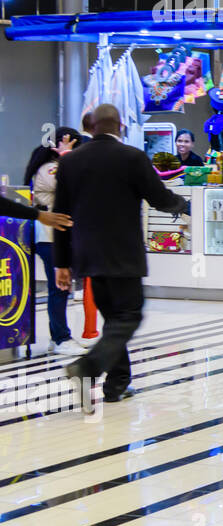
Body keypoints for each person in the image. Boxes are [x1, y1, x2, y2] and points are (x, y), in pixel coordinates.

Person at [55, 103, 190, 407]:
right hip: (122, 252)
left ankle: (116, 385)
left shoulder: (70, 162)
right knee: (129, 315)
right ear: (121, 126)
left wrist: (61, 263)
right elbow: (158, 197)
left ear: (90, 128)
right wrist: (181, 205)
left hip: (88, 254)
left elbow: (60, 215)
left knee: (114, 319)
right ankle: (87, 367)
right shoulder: (131, 157)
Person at [23, 127, 83, 354]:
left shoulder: (57, 167)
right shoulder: (50, 168)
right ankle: (60, 338)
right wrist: (67, 155)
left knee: (60, 287)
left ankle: (58, 336)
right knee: (58, 287)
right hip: (49, 236)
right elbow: (72, 183)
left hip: (57, 235)